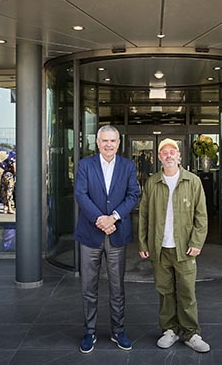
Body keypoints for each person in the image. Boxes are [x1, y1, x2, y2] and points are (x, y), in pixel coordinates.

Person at [138, 138, 210, 353]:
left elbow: (201, 216)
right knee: (165, 292)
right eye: (164, 152)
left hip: (185, 248)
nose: (169, 155)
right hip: (159, 249)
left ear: (179, 156)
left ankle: (191, 333)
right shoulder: (152, 182)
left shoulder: (193, 181)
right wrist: (143, 243)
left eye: (172, 151)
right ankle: (169, 330)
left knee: (187, 293)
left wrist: (197, 242)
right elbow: (143, 216)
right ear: (159, 157)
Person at [73, 125, 141, 354]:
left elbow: (133, 194)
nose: (108, 144)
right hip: (90, 234)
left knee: (117, 287)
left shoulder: (128, 166)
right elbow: (81, 194)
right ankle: (89, 331)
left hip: (116, 233)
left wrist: (113, 217)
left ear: (118, 143)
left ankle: (118, 330)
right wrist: (100, 219)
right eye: (104, 140)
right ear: (98, 142)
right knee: (88, 287)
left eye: (112, 141)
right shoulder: (85, 165)